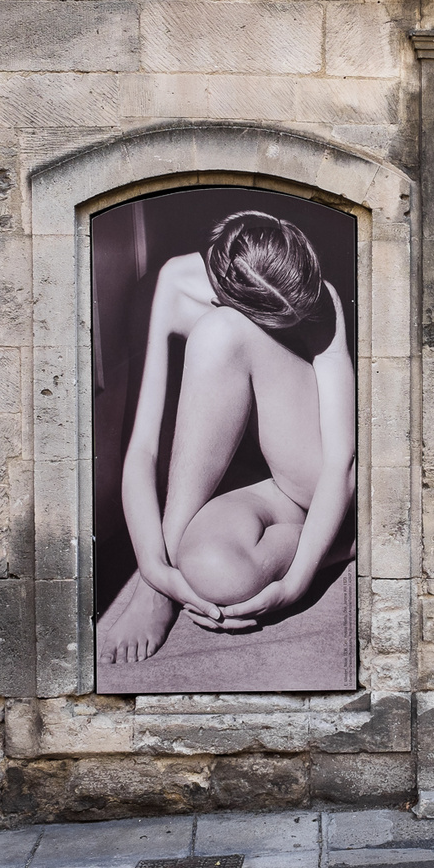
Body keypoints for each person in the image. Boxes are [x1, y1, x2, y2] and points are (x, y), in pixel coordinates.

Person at [98, 210, 355, 665]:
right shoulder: (175, 284)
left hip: (311, 478)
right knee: (219, 575)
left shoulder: (317, 297)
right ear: (223, 293)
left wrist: (293, 585)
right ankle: (339, 543)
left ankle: (337, 539)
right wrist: (157, 569)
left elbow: (341, 462)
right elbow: (142, 450)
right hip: (270, 492)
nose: (296, 326)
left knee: (221, 334)